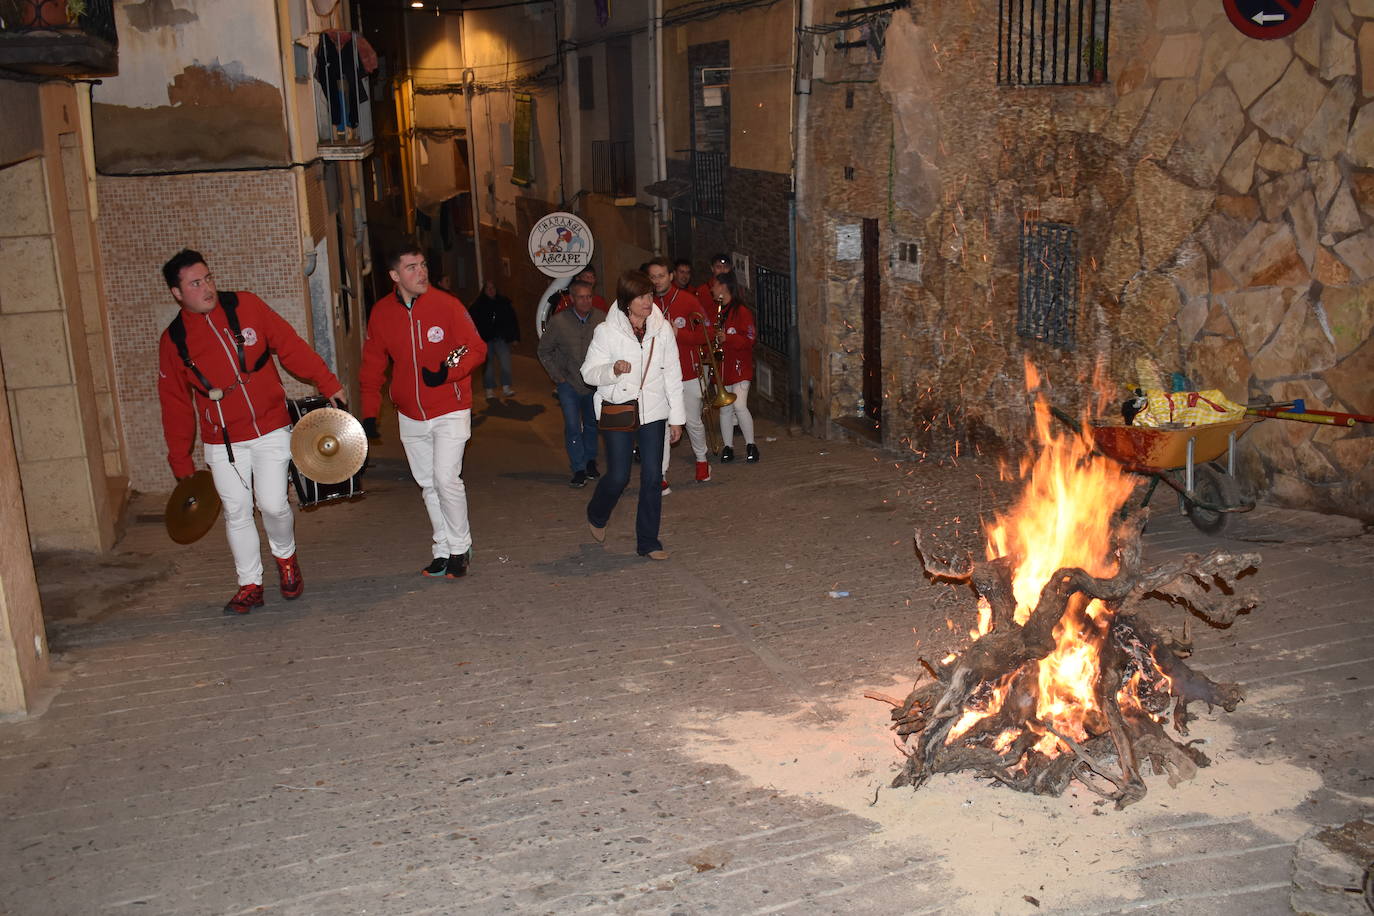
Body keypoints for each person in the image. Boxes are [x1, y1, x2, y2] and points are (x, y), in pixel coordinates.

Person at [156, 249, 346, 615]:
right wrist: (180, 463)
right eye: (195, 283)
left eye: (208, 278)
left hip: (271, 427)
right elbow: (175, 404)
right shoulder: (174, 341)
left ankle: (286, 559)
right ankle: (250, 584)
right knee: (237, 512)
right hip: (222, 441)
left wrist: (328, 382)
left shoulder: (246, 306)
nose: (207, 287)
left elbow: (289, 346)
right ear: (177, 293)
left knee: (273, 504)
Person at [360, 243, 487, 579]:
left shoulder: (447, 305)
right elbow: (373, 365)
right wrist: (369, 414)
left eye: (423, 265)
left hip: (450, 407)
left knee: (446, 479)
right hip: (410, 414)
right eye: (412, 267)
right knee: (428, 484)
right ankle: (443, 548)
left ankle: (461, 548)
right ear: (394, 275)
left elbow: (473, 347)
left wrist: (449, 369)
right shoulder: (382, 313)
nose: (421, 272)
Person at [581, 271, 684, 560]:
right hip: (619, 408)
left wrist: (677, 418)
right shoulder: (606, 331)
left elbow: (673, 373)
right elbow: (588, 372)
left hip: (654, 411)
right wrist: (612, 370)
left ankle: (649, 542)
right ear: (627, 301)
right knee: (618, 476)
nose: (648, 301)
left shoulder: (661, 329)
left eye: (650, 295)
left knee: (653, 476)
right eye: (641, 297)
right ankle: (597, 512)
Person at [647, 257, 714, 486]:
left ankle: (702, 460)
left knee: (692, 420)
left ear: (671, 276)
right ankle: (661, 474)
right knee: (663, 425)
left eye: (661, 276)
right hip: (658, 375)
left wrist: (680, 334)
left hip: (687, 372)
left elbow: (708, 333)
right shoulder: (647, 303)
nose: (657, 281)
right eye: (653, 277)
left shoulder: (687, 301)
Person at [537, 278, 605, 488]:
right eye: (581, 297)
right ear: (572, 299)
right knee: (573, 426)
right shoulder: (558, 322)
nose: (586, 301)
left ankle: (591, 461)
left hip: (593, 384)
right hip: (568, 384)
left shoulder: (601, 320)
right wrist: (558, 377)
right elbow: (544, 351)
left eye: (589, 297)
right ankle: (578, 468)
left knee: (593, 424)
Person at [711, 271, 760, 463]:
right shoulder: (719, 311)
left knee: (739, 405)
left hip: (740, 368)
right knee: (725, 409)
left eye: (714, 285)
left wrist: (727, 338)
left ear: (723, 287)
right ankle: (728, 446)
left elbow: (749, 339)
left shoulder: (741, 311)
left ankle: (751, 444)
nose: (711, 289)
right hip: (723, 368)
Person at [469, 279, 519, 398]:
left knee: (506, 362)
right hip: (485, 339)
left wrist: (515, 337)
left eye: (493, 288)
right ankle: (489, 389)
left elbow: (512, 320)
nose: (491, 290)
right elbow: (471, 323)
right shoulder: (478, 305)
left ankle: (506, 387)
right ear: (484, 290)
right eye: (488, 288)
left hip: (501, 337)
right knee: (488, 365)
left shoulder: (504, 303)